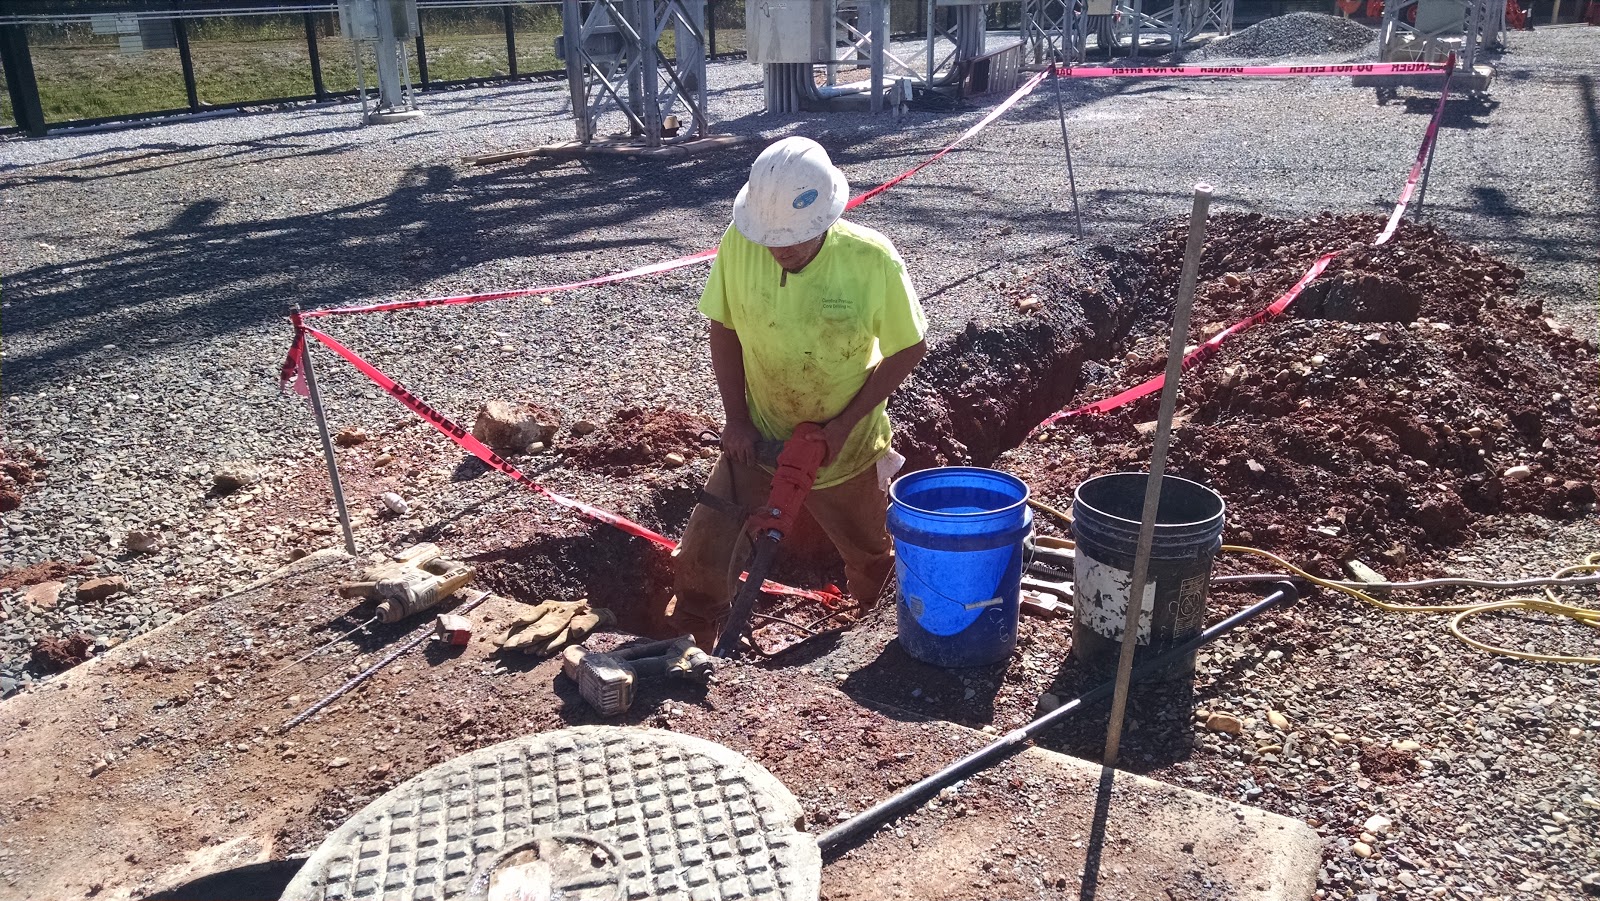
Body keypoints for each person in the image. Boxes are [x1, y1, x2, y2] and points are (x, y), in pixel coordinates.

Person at [669, 136, 929, 649]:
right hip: (758, 438)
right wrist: (736, 419)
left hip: (845, 450)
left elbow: (909, 347)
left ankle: (874, 647)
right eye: (771, 239)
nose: (780, 249)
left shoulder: (871, 261)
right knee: (705, 552)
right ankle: (690, 641)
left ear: (827, 217)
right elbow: (723, 326)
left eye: (794, 239)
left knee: (871, 560)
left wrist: (842, 426)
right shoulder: (743, 241)